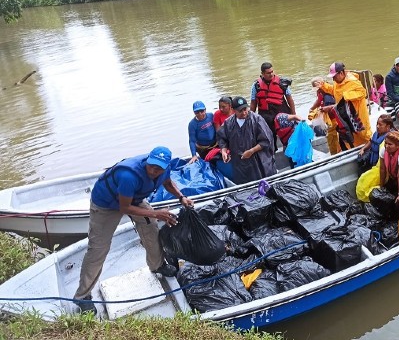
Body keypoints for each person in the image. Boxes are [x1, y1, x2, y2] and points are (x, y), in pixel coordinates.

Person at [73, 146, 194, 314]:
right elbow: (124, 208)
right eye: (151, 165)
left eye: (158, 168)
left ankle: (157, 265)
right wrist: (156, 213)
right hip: (106, 205)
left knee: (151, 228)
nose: (152, 170)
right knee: (98, 249)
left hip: (134, 199)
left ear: (165, 167)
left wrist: (182, 197)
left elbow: (167, 183)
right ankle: (82, 296)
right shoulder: (129, 175)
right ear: (148, 160)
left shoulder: (164, 170)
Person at [217, 96, 277, 185]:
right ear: (233, 110)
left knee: (263, 185)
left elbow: (266, 141)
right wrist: (224, 151)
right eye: (240, 111)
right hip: (239, 163)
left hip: (258, 162)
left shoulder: (257, 119)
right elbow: (222, 139)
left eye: (245, 109)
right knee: (244, 186)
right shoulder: (228, 123)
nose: (244, 112)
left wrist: (251, 151)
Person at [318, 62, 372, 148]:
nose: (333, 79)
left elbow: (362, 92)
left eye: (334, 76)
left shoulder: (353, 82)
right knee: (347, 135)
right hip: (345, 115)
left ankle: (368, 147)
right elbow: (335, 91)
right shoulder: (337, 82)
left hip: (357, 116)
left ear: (341, 73)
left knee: (363, 134)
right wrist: (323, 86)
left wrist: (345, 96)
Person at [250, 62, 296, 148]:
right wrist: (250, 118)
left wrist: (293, 115)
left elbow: (290, 100)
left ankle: (291, 156)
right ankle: (272, 154)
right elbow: (253, 103)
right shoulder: (256, 86)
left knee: (288, 136)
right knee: (269, 138)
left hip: (282, 114)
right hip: (265, 115)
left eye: (272, 72)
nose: (271, 74)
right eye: (268, 73)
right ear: (262, 74)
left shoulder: (282, 83)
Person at [309, 77, 340, 155]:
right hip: (328, 119)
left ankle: (335, 153)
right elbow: (319, 101)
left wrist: (322, 110)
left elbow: (332, 106)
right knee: (331, 136)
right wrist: (313, 108)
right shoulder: (321, 92)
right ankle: (334, 152)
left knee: (332, 137)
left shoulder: (328, 93)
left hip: (333, 119)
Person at [379, 131, 399, 202]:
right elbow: (382, 169)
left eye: (390, 144)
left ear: (398, 146)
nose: (386, 146)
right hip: (392, 178)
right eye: (386, 143)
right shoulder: (384, 150)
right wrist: (381, 187)